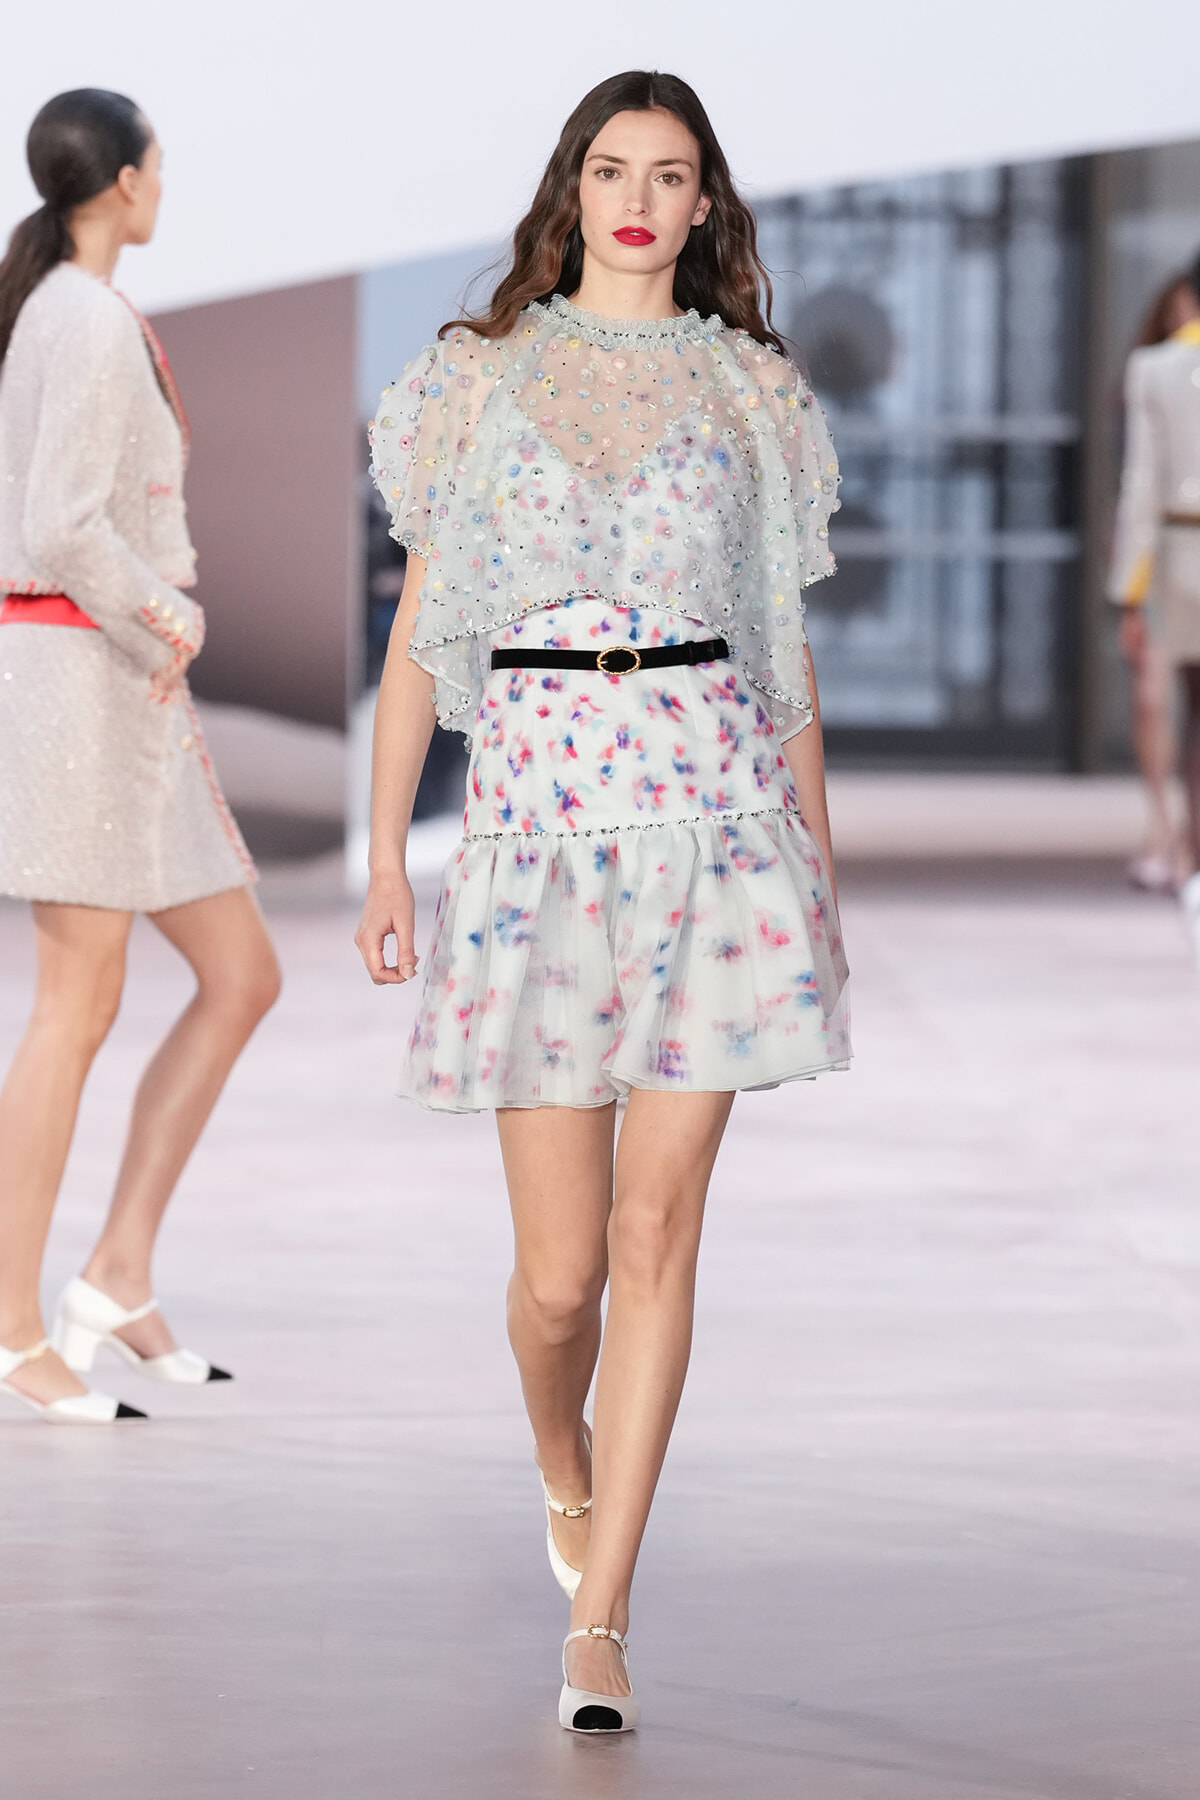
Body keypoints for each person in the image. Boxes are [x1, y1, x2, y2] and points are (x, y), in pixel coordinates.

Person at [358, 70, 849, 1731]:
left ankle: (606, 1614)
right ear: (573, 189)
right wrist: (381, 864)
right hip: (542, 824)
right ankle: (558, 1455)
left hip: (716, 813)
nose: (640, 198)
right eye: (612, 168)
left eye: (672, 174)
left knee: (659, 1231)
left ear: (706, 205)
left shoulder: (749, 391)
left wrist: (821, 875)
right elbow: (427, 642)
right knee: (560, 1275)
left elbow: (785, 667)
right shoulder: (477, 381)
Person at [0, 91, 280, 1424]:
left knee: (240, 974)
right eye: (158, 166)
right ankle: (8, 1329)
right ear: (119, 182)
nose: (166, 184)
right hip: (83, 684)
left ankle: (114, 1275)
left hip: (124, 693)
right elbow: (58, 526)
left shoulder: (70, 309)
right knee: (78, 1002)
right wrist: (166, 610)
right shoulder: (84, 319)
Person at [1110, 254, 1200, 954]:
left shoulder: (1156, 370)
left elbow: (1140, 487)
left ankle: (1175, 838)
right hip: (1172, 552)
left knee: (1166, 700)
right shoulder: (1162, 370)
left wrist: (1126, 595)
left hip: (1172, 554)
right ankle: (1175, 839)